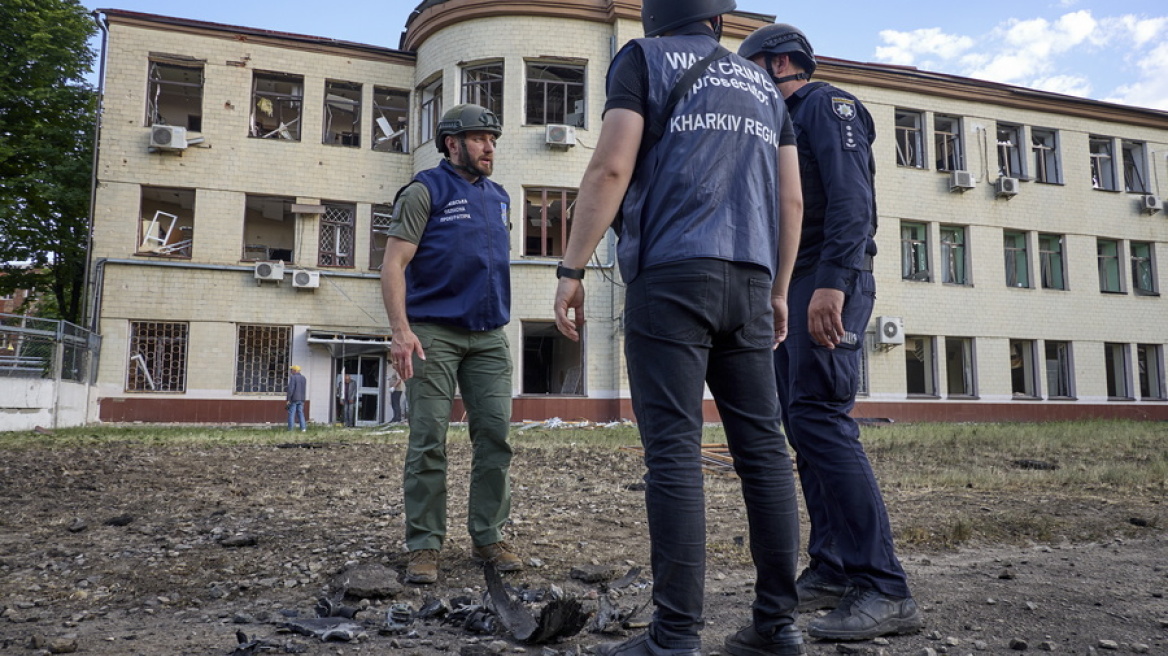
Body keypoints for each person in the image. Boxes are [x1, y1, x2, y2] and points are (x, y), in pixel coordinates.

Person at [553, 1, 805, 654]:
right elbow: (791, 198)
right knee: (765, 451)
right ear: (716, 22)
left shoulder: (642, 60)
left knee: (673, 453)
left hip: (672, 278)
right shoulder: (761, 86)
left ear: (655, 20)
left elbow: (610, 167)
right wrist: (778, 290)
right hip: (750, 281)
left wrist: (571, 268)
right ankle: (779, 626)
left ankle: (675, 638)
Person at [738, 24, 924, 641]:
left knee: (821, 416)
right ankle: (835, 565)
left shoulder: (825, 104)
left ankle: (884, 587)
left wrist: (833, 283)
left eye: (753, 68)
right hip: (796, 279)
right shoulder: (780, 125)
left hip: (829, 277)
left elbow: (851, 200)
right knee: (801, 423)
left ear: (782, 61)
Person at [380, 103, 521, 585]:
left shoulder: (500, 197)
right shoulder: (424, 191)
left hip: (489, 336)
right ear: (452, 143)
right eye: (480, 138)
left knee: (496, 438)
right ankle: (424, 544)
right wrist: (401, 331)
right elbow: (394, 265)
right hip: (432, 333)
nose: (489, 147)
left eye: (493, 139)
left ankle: (488, 537)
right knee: (428, 442)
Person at [286, 365, 307, 432]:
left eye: (291, 370)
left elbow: (291, 389)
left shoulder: (293, 377)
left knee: (291, 413)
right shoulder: (304, 378)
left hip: (294, 398)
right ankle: (303, 429)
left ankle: (291, 429)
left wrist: (288, 399)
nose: (291, 371)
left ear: (294, 370)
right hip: (302, 399)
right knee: (301, 413)